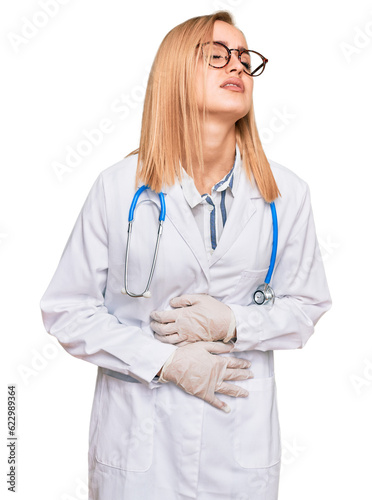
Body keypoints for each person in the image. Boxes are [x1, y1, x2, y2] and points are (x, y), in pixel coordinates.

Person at [40, 11, 332, 500]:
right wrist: (164, 361)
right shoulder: (119, 188)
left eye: (244, 57)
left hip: (238, 442)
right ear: (175, 72)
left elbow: (308, 306)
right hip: (139, 442)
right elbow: (66, 310)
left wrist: (233, 321)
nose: (236, 66)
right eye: (217, 55)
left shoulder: (286, 194)